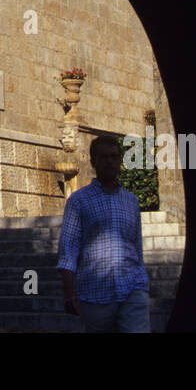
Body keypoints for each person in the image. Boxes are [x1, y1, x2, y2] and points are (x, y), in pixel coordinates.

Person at [57, 135, 151, 332]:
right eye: (104, 157)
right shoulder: (78, 201)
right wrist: (68, 291)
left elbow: (137, 247)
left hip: (132, 289)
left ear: (120, 161)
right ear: (93, 162)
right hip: (95, 294)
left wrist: (142, 281)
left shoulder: (131, 201)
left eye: (114, 156)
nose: (110, 161)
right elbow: (68, 250)